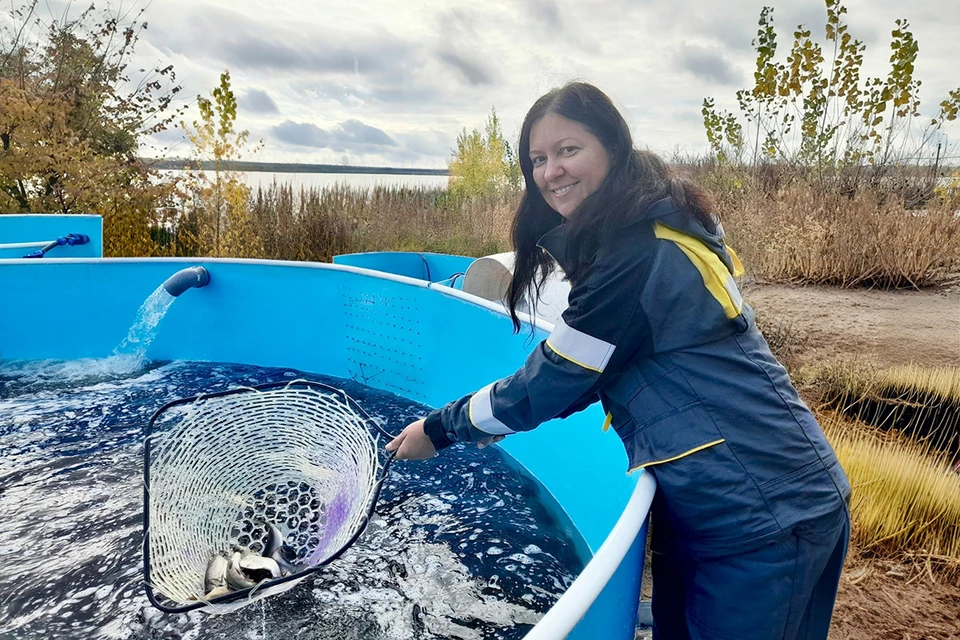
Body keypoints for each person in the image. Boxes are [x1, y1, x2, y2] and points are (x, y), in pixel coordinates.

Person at [386, 81, 851, 640]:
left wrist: (440, 428)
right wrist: (491, 426)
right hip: (730, 502)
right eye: (538, 158)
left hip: (762, 510)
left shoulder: (637, 253)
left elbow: (553, 379)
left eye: (569, 149)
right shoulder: (646, 230)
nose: (551, 170)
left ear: (612, 146)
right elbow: (590, 370)